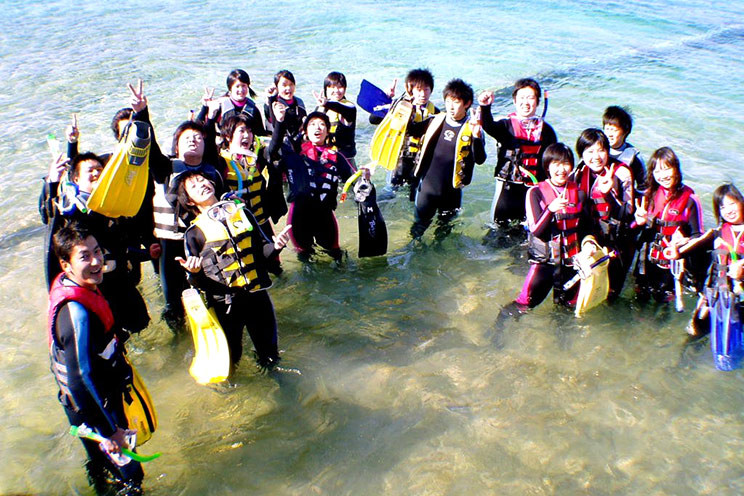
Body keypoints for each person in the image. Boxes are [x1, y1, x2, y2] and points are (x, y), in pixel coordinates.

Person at [48, 223, 144, 494]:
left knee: (101, 467)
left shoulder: (77, 285)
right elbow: (80, 379)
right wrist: (109, 431)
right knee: (132, 476)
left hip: (86, 405)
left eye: (97, 251)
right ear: (65, 265)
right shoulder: (75, 313)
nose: (96, 261)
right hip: (94, 406)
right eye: (85, 256)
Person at [174, 170, 291, 372]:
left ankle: (278, 382)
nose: (202, 184)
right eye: (194, 186)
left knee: (271, 356)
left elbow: (264, 251)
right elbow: (198, 283)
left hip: (257, 297)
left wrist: (277, 246)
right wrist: (194, 272)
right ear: (190, 201)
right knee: (230, 360)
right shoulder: (194, 233)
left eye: (203, 180)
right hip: (225, 306)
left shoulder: (243, 214)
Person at [129, 80, 224, 327]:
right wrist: (141, 113)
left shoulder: (213, 173)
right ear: (177, 145)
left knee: (213, 290)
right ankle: (177, 332)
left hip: (204, 242)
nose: (193, 140)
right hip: (171, 243)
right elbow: (150, 148)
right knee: (173, 301)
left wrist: (210, 114)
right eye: (187, 138)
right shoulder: (165, 168)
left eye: (198, 138)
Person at [39, 152, 152, 336]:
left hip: (121, 282)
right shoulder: (71, 211)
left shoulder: (113, 208)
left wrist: (148, 254)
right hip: (95, 287)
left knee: (141, 325)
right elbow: (51, 223)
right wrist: (52, 185)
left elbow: (121, 249)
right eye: (90, 170)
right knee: (110, 336)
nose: (96, 173)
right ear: (76, 179)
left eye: (100, 170)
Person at [499, 143, 590, 317]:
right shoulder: (535, 193)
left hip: (570, 264)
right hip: (545, 264)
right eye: (556, 164)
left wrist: (589, 246)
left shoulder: (579, 194)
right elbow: (537, 231)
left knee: (566, 310)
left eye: (566, 164)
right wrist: (550, 209)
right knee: (522, 305)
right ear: (547, 166)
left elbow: (585, 228)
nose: (561, 169)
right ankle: (496, 332)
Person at [268, 106, 358, 261]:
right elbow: (272, 151)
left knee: (337, 255)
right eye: (312, 124)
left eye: (322, 124)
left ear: (328, 131)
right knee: (305, 258)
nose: (317, 127)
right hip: (299, 217)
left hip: (325, 216)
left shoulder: (337, 156)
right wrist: (280, 121)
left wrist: (364, 180)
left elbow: (351, 181)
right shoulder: (294, 154)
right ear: (305, 131)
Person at [407, 78, 486, 238]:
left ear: (467, 103)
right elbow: (410, 129)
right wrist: (407, 104)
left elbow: (480, 159)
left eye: (456, 102)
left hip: (452, 195)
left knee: (444, 234)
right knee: (417, 231)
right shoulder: (434, 120)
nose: (450, 107)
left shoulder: (472, 128)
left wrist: (477, 136)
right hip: (427, 191)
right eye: (448, 101)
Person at [478, 78, 558, 230]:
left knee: (528, 232)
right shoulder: (505, 125)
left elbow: (554, 160)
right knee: (497, 230)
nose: (526, 102)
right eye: (522, 97)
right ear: (514, 101)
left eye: (530, 98)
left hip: (533, 191)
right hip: (507, 188)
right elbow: (488, 126)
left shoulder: (547, 131)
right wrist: (485, 106)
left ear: (538, 102)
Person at [667, 184, 744, 337]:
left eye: (732, 204)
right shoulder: (717, 233)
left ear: (741, 202)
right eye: (722, 207)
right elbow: (693, 246)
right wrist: (675, 252)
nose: (728, 211)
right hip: (716, 295)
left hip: (740, 298)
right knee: (695, 332)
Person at [570, 128, 635, 299]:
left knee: (612, 293)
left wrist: (609, 193)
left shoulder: (621, 173)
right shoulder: (579, 172)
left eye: (601, 150)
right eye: (590, 151)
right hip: (590, 235)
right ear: (582, 154)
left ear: (608, 151)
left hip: (617, 238)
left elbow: (628, 214)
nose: (596, 156)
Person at [633, 147, 704, 303]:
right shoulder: (649, 194)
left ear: (676, 169)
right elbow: (633, 229)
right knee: (639, 299)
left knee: (663, 303)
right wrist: (639, 222)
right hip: (646, 260)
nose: (663, 176)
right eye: (657, 171)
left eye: (667, 169)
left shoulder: (690, 199)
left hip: (670, 265)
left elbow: (698, 236)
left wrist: (684, 242)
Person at [217, 113, 285, 273]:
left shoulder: (256, 158)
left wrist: (280, 122)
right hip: (239, 228)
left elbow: (274, 147)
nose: (247, 135)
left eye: (249, 131)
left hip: (261, 223)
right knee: (249, 270)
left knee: (275, 267)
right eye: (241, 131)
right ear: (228, 136)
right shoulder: (221, 161)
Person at [371, 68, 439, 200]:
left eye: (426, 89)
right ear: (410, 89)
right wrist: (387, 100)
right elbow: (373, 119)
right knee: (389, 192)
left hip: (419, 162)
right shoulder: (400, 106)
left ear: (431, 90)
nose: (423, 94)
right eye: (419, 90)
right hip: (399, 160)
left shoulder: (435, 112)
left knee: (414, 197)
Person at [197, 68, 266, 138]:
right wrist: (205, 106)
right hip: (224, 143)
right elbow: (197, 128)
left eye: (244, 86)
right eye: (237, 86)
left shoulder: (253, 109)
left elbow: (260, 134)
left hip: (245, 143)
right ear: (230, 88)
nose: (241, 90)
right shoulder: (219, 106)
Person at [313, 71, 357, 162]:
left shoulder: (349, 107)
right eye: (332, 87)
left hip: (345, 159)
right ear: (326, 89)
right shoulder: (320, 108)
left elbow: (344, 109)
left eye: (340, 87)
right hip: (325, 157)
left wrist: (326, 103)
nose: (336, 91)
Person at [603, 105, 646, 194]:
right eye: (607, 129)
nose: (609, 134)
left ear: (625, 131)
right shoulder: (597, 151)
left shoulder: (634, 157)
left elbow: (643, 187)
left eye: (614, 130)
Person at [263, 70, 307, 151]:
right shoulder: (272, 103)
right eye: (284, 85)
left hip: (297, 143)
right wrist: (271, 98)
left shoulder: (299, 102)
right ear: (276, 87)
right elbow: (274, 124)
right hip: (278, 146)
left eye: (291, 84)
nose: (288, 88)